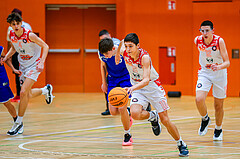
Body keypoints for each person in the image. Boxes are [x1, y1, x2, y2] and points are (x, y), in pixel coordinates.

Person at [115, 33, 189, 157]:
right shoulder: (125, 52)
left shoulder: (144, 57)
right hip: (138, 89)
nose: (128, 49)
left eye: (131, 46)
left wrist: (132, 88)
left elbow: (146, 80)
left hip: (153, 88)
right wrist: (117, 54)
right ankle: (152, 116)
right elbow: (121, 42)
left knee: (165, 120)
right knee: (134, 113)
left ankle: (181, 143)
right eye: (126, 46)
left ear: (138, 46)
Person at [2, 12, 54, 136]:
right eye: (13, 24)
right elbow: (14, 48)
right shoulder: (12, 35)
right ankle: (45, 90)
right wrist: (5, 58)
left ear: (21, 23)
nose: (16, 26)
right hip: (23, 65)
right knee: (28, 94)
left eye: (18, 23)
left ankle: (18, 122)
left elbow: (46, 46)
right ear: (11, 25)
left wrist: (41, 62)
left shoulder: (30, 35)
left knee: (23, 92)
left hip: (34, 65)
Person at [194, 20, 230, 141]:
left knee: (218, 105)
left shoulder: (219, 41)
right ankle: (205, 118)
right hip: (205, 72)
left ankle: (218, 129)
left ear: (212, 31)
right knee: (199, 99)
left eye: (207, 30)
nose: (205, 33)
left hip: (219, 73)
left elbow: (227, 62)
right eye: (202, 31)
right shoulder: (197, 40)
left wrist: (218, 66)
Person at [98, 38, 134, 146]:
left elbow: (124, 40)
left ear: (113, 49)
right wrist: (104, 83)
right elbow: (103, 65)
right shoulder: (102, 53)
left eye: (108, 54)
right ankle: (128, 113)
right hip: (112, 79)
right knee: (113, 111)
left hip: (125, 78)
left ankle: (127, 135)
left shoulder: (122, 50)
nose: (107, 57)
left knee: (122, 107)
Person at [6, 8, 32, 102]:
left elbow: (32, 39)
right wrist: (7, 56)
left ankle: (24, 94)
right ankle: (20, 94)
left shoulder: (26, 27)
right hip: (17, 50)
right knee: (18, 72)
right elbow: (10, 44)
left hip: (25, 52)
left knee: (25, 73)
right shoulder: (11, 29)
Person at [98, 30, 121, 115]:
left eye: (105, 38)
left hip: (124, 74)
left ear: (110, 36)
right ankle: (109, 107)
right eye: (101, 40)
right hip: (112, 75)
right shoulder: (101, 51)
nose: (103, 41)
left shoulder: (117, 44)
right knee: (106, 86)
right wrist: (104, 82)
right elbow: (103, 65)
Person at [0, 46, 20, 131]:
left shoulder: (0, 49)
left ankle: (17, 122)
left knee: (6, 103)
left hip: (1, 77)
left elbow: (6, 58)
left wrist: (13, 69)